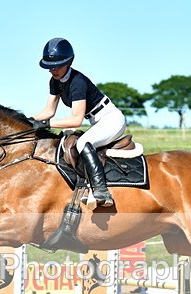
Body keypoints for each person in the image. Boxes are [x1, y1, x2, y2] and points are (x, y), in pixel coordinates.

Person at [30, 38, 126, 208]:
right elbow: (49, 111)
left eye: (57, 65)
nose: (53, 70)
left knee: (83, 142)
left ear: (69, 62)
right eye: (50, 67)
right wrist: (28, 122)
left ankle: (101, 190)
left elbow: (76, 120)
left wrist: (47, 124)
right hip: (96, 121)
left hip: (111, 119)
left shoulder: (77, 82)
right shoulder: (55, 81)